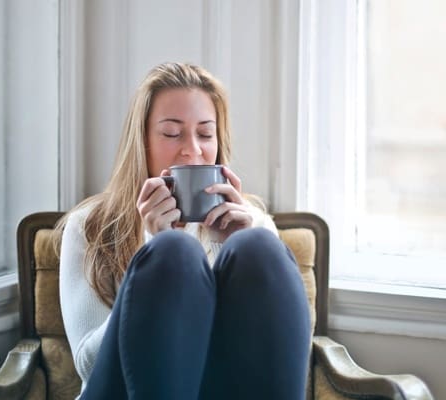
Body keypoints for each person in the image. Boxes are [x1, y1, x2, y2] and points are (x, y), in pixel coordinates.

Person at [58, 62, 311, 400]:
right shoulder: (89, 225)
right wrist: (152, 248)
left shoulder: (253, 224)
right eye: (172, 133)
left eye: (205, 134)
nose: (192, 149)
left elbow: (279, 357)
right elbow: (87, 366)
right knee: (173, 253)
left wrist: (231, 247)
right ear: (142, 141)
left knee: (259, 247)